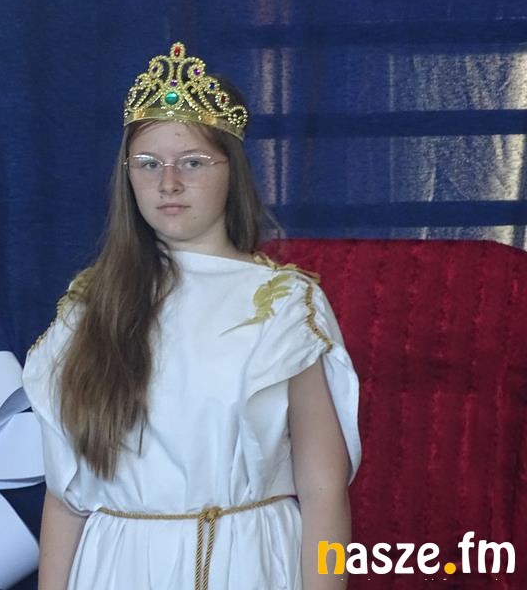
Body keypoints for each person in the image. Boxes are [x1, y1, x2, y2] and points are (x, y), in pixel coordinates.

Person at [22, 41, 361, 590]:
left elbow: (323, 489)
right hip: (117, 568)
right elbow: (66, 498)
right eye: (148, 164)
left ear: (232, 172)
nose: (169, 182)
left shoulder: (282, 304)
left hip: (246, 563)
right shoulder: (89, 307)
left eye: (193, 162)